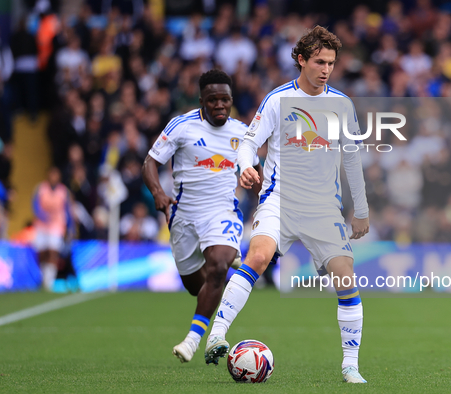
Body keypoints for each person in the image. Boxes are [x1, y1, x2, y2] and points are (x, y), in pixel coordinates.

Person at [204, 26, 370, 384]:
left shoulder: (341, 104)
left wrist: (362, 208)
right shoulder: (278, 100)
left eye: (331, 63)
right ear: (301, 60)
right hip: (280, 199)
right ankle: (216, 335)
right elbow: (249, 142)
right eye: (319, 61)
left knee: (345, 278)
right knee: (259, 257)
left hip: (324, 208)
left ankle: (350, 365)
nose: (326, 69)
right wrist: (246, 166)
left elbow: (352, 158)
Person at [142, 69, 261, 363]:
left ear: (232, 100)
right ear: (201, 101)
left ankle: (194, 341)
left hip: (222, 210)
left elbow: (256, 172)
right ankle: (226, 254)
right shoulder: (182, 126)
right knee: (199, 287)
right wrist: (158, 192)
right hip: (183, 217)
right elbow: (149, 162)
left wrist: (258, 198)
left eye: (225, 99)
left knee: (218, 269)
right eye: (213, 100)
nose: (220, 105)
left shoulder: (241, 133)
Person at [33, 167, 73, 290]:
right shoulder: (41, 188)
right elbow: (34, 204)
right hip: (42, 225)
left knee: (53, 251)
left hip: (56, 225)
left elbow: (68, 209)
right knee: (42, 252)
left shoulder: (63, 191)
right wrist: (41, 215)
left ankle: (49, 282)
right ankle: (42, 277)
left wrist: (70, 227)